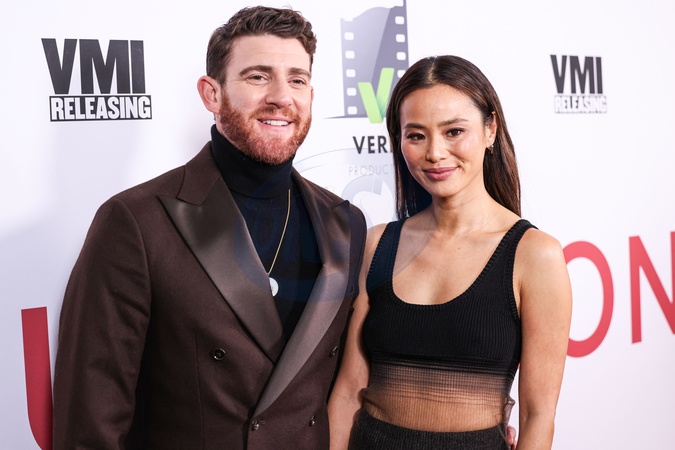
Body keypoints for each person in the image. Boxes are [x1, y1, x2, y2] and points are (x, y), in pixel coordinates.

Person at [52, 6, 366, 449]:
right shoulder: (136, 221)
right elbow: (91, 422)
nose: (281, 96)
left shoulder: (345, 223)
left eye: (297, 80)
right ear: (211, 94)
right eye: (258, 76)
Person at [328, 55, 573, 449]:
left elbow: (537, 416)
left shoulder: (534, 255)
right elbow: (347, 393)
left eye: (454, 131)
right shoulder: (377, 244)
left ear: (490, 129)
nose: (435, 153)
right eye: (416, 135)